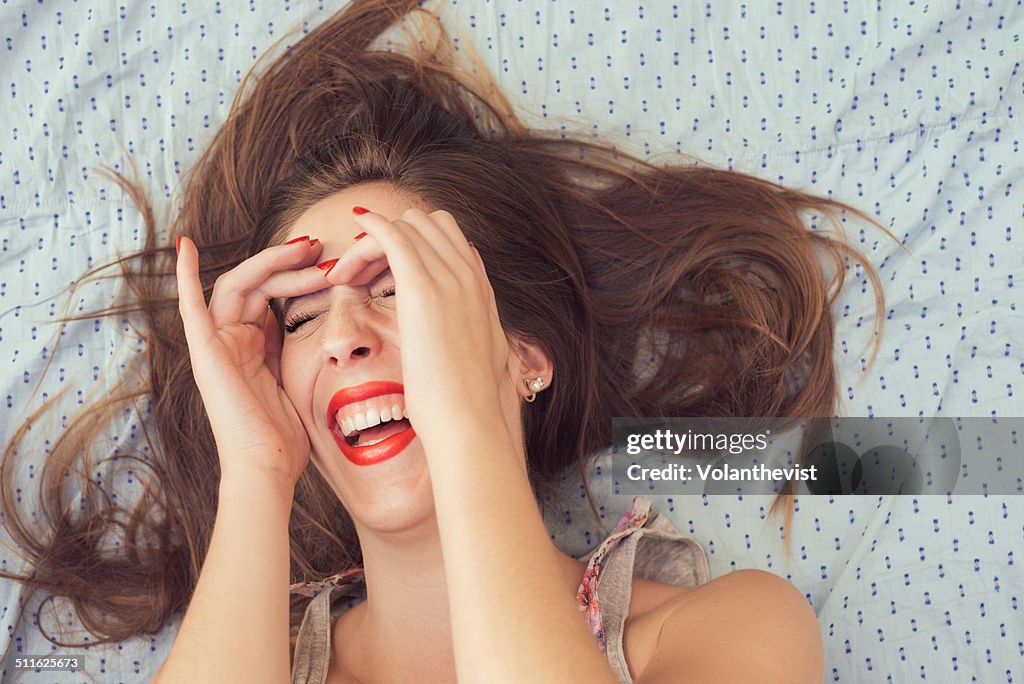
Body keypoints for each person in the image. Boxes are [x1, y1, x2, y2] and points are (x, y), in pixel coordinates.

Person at [2, 0, 885, 681]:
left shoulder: (727, 630)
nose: (342, 334)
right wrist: (259, 472)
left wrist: (466, 427)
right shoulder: (251, 658)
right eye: (302, 317)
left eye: (398, 290)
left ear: (524, 358)